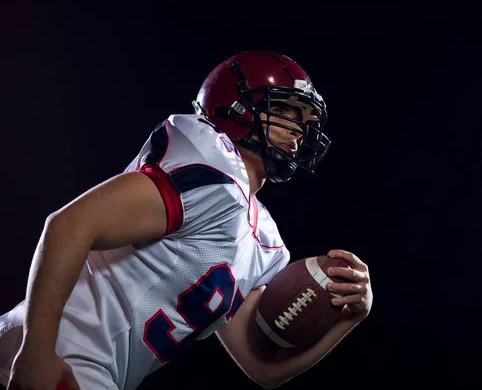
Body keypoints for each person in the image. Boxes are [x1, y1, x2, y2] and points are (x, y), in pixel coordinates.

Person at [0, 51, 373, 390]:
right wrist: (36, 352)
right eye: (288, 111)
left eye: (306, 121)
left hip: (92, 370)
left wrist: (351, 317)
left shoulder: (266, 244)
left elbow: (261, 367)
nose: (299, 130)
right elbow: (69, 226)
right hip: (58, 353)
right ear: (237, 106)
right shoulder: (212, 163)